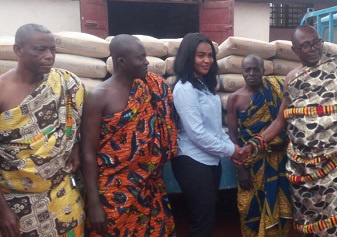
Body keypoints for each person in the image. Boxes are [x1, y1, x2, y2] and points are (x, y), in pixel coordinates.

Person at [243, 25, 337, 236]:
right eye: (305, 45)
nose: (313, 48)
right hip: (300, 169)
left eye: (316, 42)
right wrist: (255, 143)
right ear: (294, 50)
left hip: (334, 168)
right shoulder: (291, 78)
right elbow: (281, 120)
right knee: (306, 226)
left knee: (336, 224)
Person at [81, 34, 177, 236]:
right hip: (114, 190)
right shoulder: (99, 97)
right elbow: (87, 153)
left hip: (149, 186)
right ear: (121, 62)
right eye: (140, 58)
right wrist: (94, 202)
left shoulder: (149, 87)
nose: (146, 62)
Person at [0, 23, 85, 237]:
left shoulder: (64, 82)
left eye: (53, 50)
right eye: (40, 49)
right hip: (16, 200)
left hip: (62, 192)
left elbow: (71, 120)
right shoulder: (2, 91)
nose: (49, 56)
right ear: (18, 50)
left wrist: (74, 144)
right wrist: (2, 212)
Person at [171, 33, 247, 237]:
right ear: (189, 57)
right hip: (192, 161)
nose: (207, 60)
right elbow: (196, 133)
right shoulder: (185, 89)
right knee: (202, 221)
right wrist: (232, 150)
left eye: (210, 55)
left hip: (210, 162)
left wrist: (231, 145)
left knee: (208, 217)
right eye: (200, 55)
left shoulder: (205, 85)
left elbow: (213, 127)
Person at [226, 54, 292, 237]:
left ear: (263, 71)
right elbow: (233, 135)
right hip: (251, 162)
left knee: (280, 208)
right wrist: (240, 169)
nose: (252, 73)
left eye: (256, 69)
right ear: (242, 72)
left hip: (278, 161)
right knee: (250, 209)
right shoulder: (234, 98)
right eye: (247, 70)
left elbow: (284, 120)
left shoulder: (275, 88)